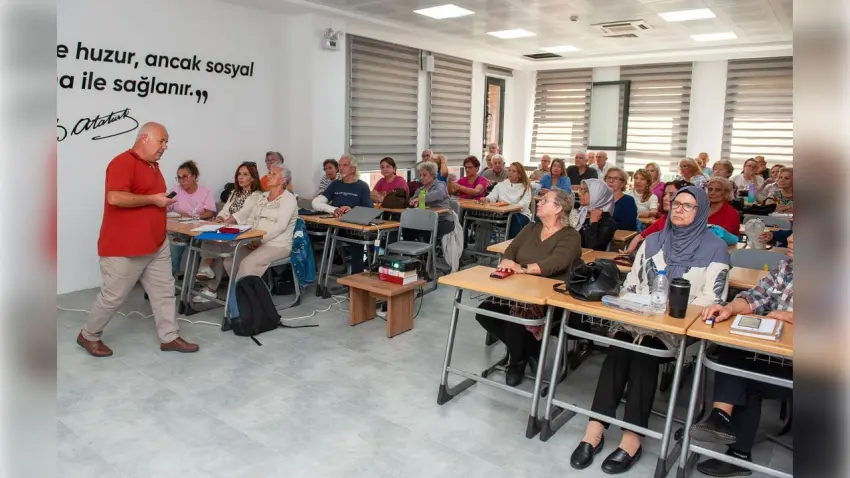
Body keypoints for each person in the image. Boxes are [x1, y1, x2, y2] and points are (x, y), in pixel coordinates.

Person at [570, 186, 730, 474]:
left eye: (688, 206)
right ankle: (594, 429)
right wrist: (636, 305)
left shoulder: (715, 248)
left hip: (680, 328)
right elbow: (632, 283)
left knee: (643, 353)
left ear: (701, 212)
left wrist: (672, 307)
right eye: (676, 203)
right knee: (619, 348)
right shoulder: (653, 240)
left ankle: (632, 438)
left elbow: (714, 299)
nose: (679, 209)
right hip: (640, 320)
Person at [77, 122, 199, 357]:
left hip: (156, 244)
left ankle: (170, 337)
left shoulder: (154, 166)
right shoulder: (122, 162)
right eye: (161, 141)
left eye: (166, 142)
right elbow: (115, 197)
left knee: (164, 292)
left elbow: (149, 198)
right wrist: (153, 199)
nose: (165, 146)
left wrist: (159, 201)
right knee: (113, 297)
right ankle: (88, 335)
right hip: (125, 247)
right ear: (144, 138)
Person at [689, 235, 794, 477]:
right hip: (774, 357)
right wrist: (728, 308)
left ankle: (723, 424)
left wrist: (790, 316)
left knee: (742, 373)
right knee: (736, 351)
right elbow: (756, 297)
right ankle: (726, 430)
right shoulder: (787, 267)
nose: (789, 238)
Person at [475, 189, 582, 386]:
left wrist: (522, 268)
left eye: (544, 200)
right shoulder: (531, 228)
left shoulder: (571, 236)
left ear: (558, 208)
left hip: (548, 297)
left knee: (514, 321)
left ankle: (516, 361)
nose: (538, 202)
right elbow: (511, 249)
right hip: (518, 289)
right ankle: (529, 350)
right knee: (485, 313)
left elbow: (556, 262)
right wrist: (507, 261)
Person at [217, 165, 299, 295]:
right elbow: (251, 219)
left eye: (273, 174)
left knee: (247, 264)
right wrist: (250, 239)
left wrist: (259, 240)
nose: (268, 176)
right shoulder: (263, 196)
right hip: (256, 240)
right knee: (230, 261)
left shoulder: (289, 199)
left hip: (277, 245)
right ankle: (240, 293)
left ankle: (244, 299)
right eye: (269, 173)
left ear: (283, 180)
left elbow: (280, 226)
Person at [195, 162, 263, 289]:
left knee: (216, 245)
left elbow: (242, 214)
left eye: (245, 174)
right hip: (228, 229)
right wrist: (219, 218)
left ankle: (209, 285)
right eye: (239, 174)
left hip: (243, 234)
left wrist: (225, 222)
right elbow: (225, 210)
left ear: (253, 178)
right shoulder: (234, 193)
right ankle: (206, 273)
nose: (240, 177)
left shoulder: (257, 195)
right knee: (210, 240)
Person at [311, 155, 373, 273]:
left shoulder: (362, 186)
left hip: (353, 228)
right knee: (306, 234)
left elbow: (369, 209)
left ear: (353, 168)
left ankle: (356, 277)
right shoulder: (335, 184)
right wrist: (333, 209)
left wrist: (352, 209)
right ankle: (312, 272)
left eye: (345, 165)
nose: (341, 168)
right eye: (340, 165)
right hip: (334, 226)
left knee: (358, 242)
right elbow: (316, 203)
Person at [167, 160, 217, 277]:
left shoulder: (205, 191)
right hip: (181, 229)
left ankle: (193, 278)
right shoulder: (176, 191)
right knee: (174, 248)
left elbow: (210, 212)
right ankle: (171, 278)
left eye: (184, 177)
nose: (181, 181)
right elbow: (166, 208)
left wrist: (193, 217)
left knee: (199, 247)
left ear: (194, 177)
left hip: (198, 228)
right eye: (179, 177)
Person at [626, 180, 690, 254]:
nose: (665, 198)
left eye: (671, 194)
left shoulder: (689, 223)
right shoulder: (665, 219)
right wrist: (627, 253)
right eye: (665, 194)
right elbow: (639, 237)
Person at [481, 162, 533, 239]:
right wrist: (487, 199)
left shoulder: (525, 187)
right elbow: (492, 196)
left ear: (519, 174)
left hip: (521, 214)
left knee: (512, 218)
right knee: (485, 217)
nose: (510, 173)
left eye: (513, 171)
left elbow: (524, 204)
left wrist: (509, 207)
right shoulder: (501, 184)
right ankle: (516, 242)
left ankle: (515, 243)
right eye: (509, 170)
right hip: (502, 214)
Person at [409, 162, 455, 242]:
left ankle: (427, 250)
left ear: (432, 175)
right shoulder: (421, 189)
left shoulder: (440, 184)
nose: (421, 178)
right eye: (420, 175)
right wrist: (412, 203)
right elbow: (412, 199)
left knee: (427, 231)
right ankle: (412, 249)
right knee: (407, 229)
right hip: (427, 220)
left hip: (443, 221)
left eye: (424, 175)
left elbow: (439, 194)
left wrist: (421, 199)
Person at [575, 178, 616, 251]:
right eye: (580, 189)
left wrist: (593, 222)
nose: (579, 193)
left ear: (597, 194)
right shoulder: (582, 213)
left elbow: (592, 247)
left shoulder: (607, 221)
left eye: (585, 191)